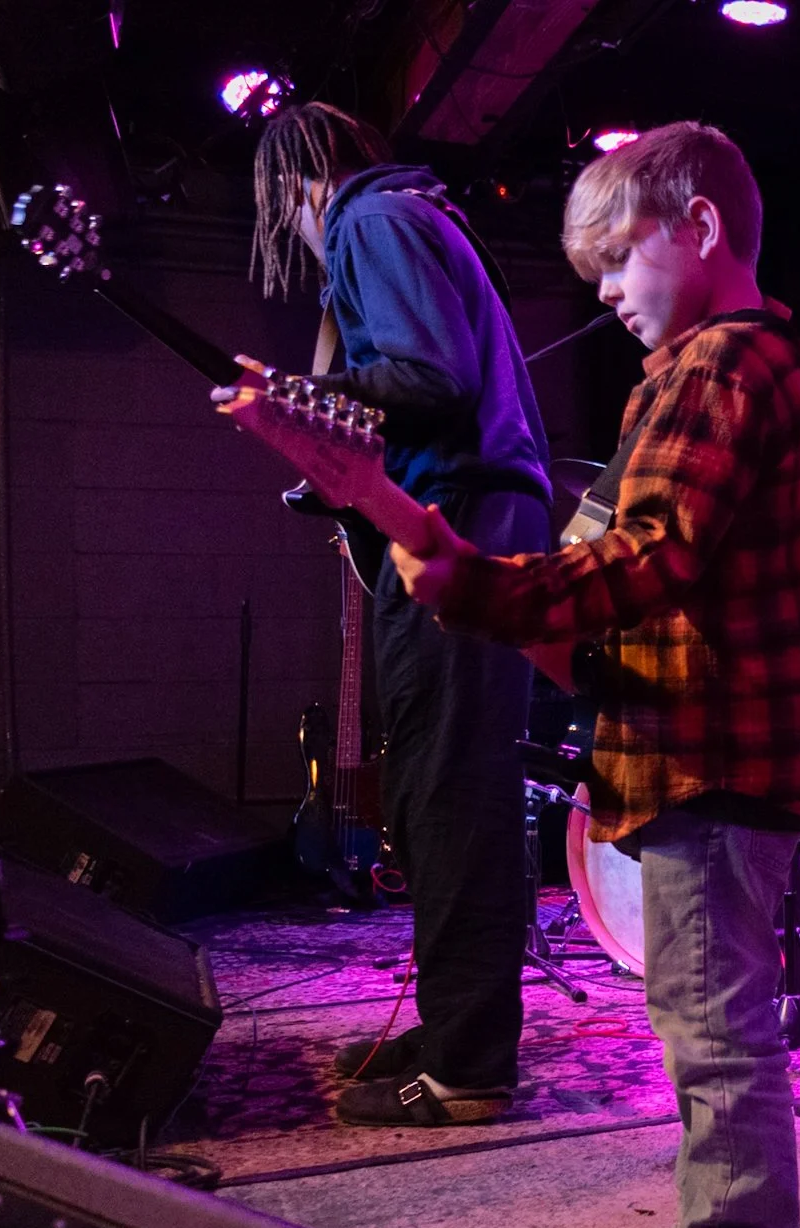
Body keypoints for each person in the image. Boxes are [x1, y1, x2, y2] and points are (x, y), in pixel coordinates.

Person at [390, 121, 800, 1228]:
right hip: (725, 744)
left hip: (714, 751)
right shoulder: (752, 359)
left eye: (615, 259)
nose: (600, 292)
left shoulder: (719, 368)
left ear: (697, 229)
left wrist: (478, 588)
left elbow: (647, 558)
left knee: (712, 1019)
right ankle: (719, 1223)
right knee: (702, 1009)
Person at [226, 102, 552, 1126]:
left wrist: (301, 402)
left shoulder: (371, 220)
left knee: (449, 793)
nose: (288, 233)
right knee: (428, 788)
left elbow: (426, 379)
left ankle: (466, 1070)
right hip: (464, 511)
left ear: (296, 181)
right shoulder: (409, 215)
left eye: (278, 207)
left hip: (462, 519)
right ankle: (460, 1027)